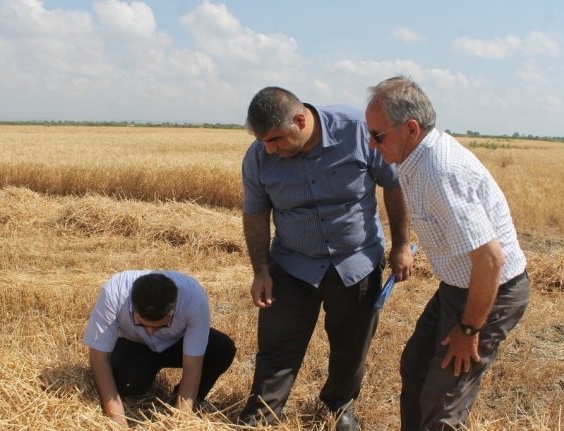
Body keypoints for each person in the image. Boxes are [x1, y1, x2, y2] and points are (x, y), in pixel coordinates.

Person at [238, 87, 413, 431]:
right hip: (292, 264)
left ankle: (339, 407)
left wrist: (401, 245)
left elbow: (393, 184)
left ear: (300, 121)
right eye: (263, 141)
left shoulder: (357, 131)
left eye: (275, 139)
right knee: (277, 347)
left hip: (358, 261)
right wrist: (260, 271)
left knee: (351, 346)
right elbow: (255, 214)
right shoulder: (259, 157)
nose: (269, 149)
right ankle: (261, 416)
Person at [364, 76, 530, 431]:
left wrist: (469, 330)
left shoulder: (440, 171)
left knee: (442, 401)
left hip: (491, 292)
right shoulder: (415, 159)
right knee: (416, 366)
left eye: (378, 135)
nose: (372, 144)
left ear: (411, 128)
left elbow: (491, 260)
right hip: (457, 287)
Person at [83, 270, 236, 428]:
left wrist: (182, 422)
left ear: (172, 311)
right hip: (135, 345)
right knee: (130, 383)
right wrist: (119, 423)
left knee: (222, 349)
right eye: (142, 324)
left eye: (160, 326)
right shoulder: (114, 292)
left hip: (176, 343)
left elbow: (192, 366)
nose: (150, 332)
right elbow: (99, 359)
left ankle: (189, 400)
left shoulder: (193, 298)